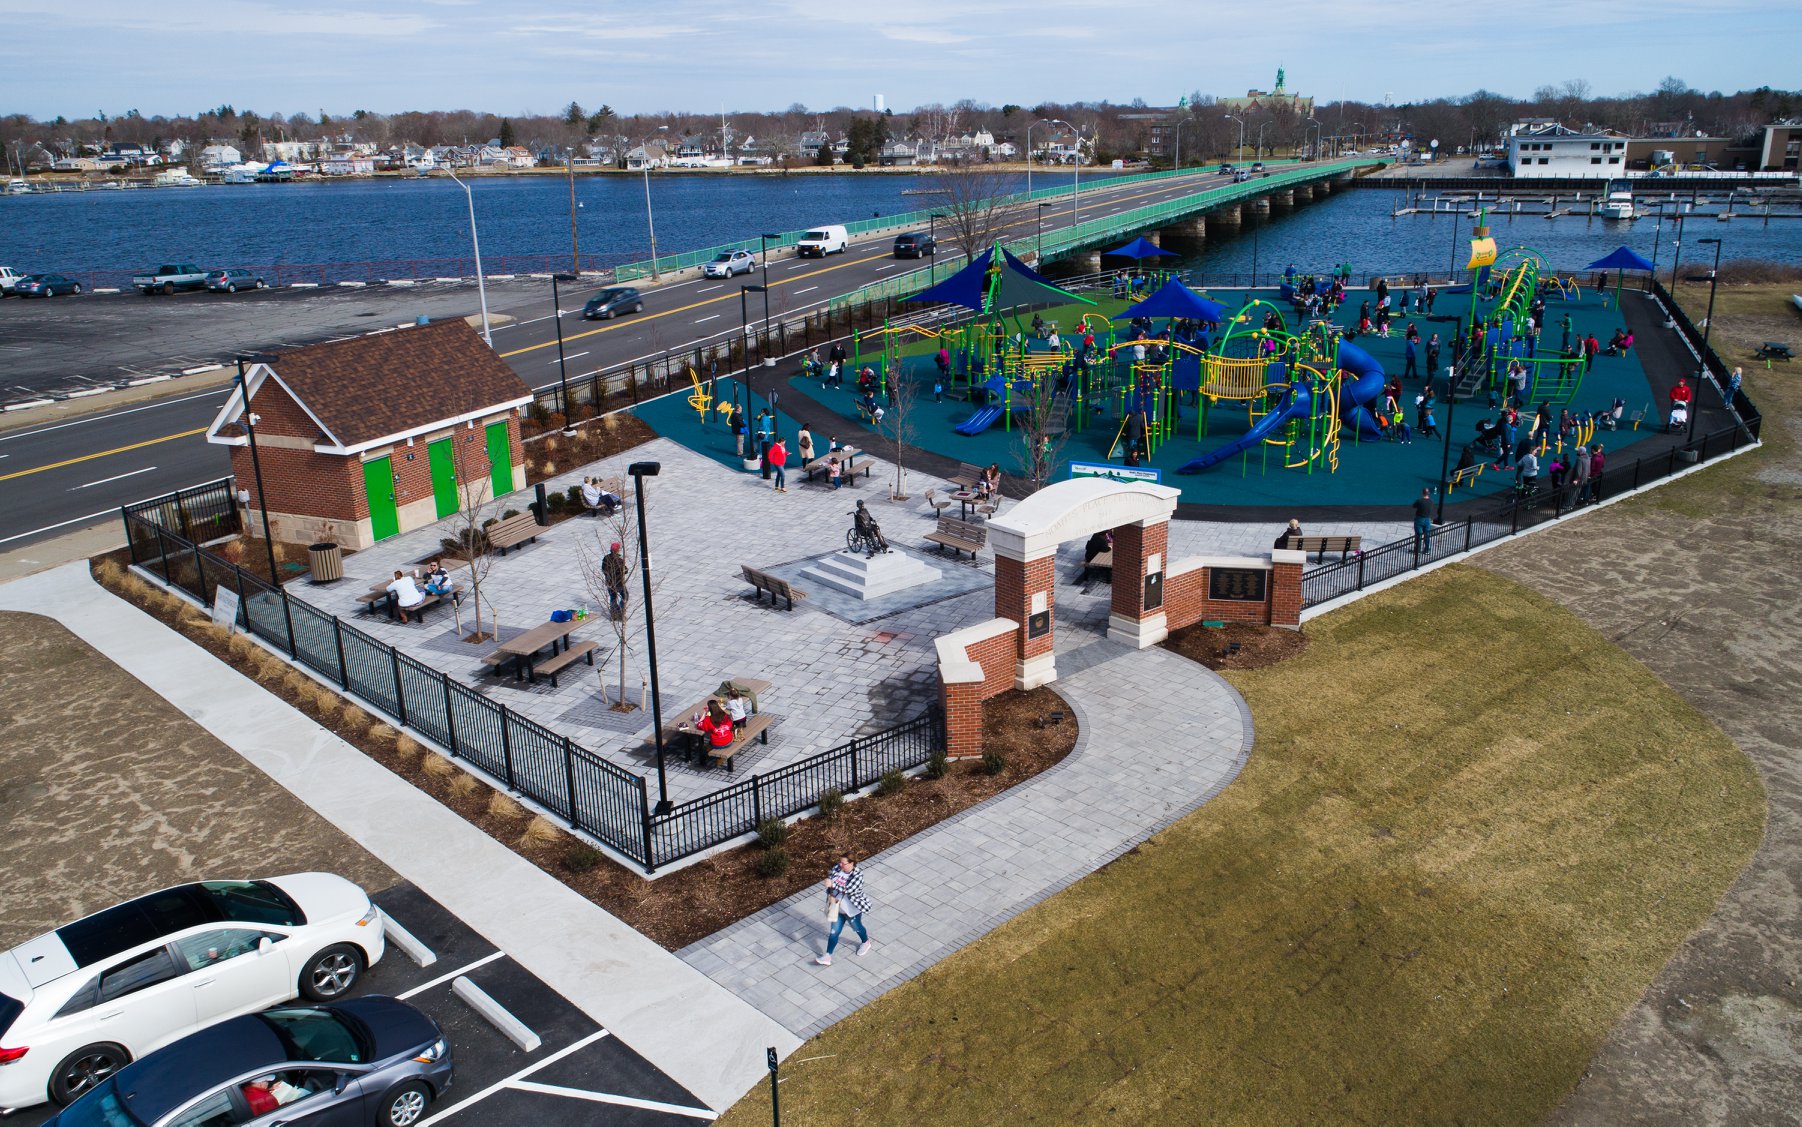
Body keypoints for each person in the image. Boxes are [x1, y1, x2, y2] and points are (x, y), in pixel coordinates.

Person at [815, 854, 873, 965]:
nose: (840, 865)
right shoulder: (837, 868)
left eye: (843, 863)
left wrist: (833, 884)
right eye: (840, 862)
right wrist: (829, 890)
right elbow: (831, 885)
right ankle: (828, 956)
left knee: (857, 927)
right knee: (834, 932)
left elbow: (849, 889)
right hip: (837, 907)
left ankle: (865, 942)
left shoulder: (858, 875)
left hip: (851, 910)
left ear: (851, 863)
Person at [602, 542, 628, 618]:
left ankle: (614, 614)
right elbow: (625, 570)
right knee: (625, 595)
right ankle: (620, 611)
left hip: (609, 582)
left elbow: (604, 569)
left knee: (613, 597)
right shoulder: (619, 560)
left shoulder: (606, 558)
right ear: (617, 550)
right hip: (619, 582)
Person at [1412, 488, 1433, 552]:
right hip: (1427, 519)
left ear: (1422, 493)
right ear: (1428, 493)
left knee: (1418, 534)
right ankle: (1427, 550)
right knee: (1426, 535)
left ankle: (1417, 549)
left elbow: (1414, 506)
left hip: (1419, 519)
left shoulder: (1419, 501)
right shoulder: (1431, 501)